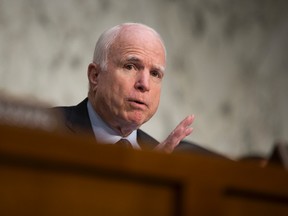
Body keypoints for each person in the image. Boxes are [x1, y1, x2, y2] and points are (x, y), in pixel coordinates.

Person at [54, 22, 201, 154]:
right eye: (130, 66)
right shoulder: (47, 130)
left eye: (155, 74)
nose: (144, 84)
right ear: (95, 76)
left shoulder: (157, 157)